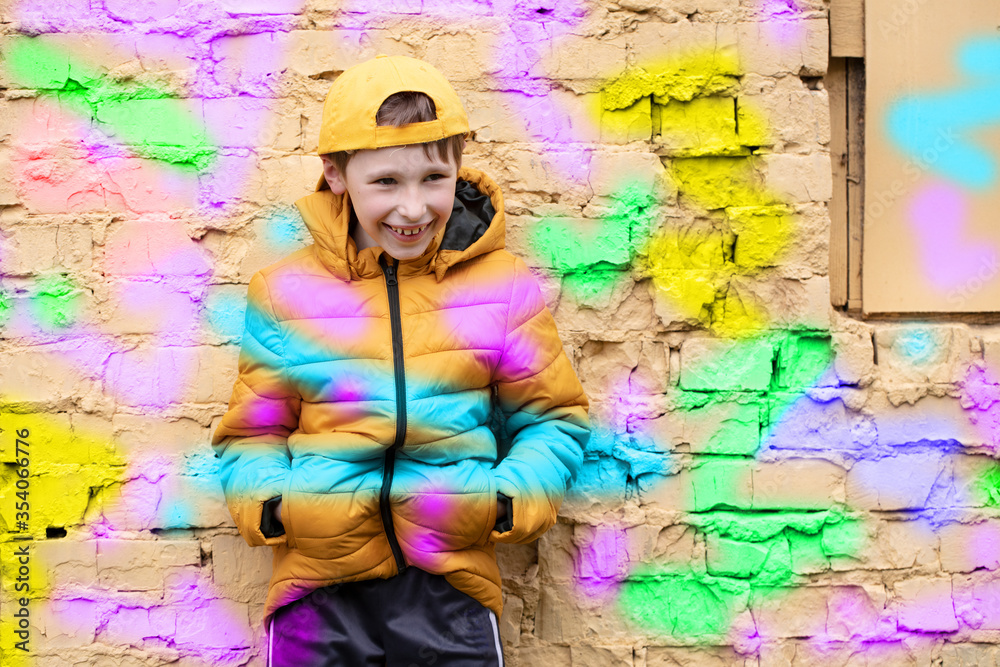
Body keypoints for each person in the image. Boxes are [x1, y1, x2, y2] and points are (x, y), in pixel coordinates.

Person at [211, 54, 591, 666]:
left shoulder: (505, 286)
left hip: (452, 592)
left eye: (433, 179)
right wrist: (278, 510)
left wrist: (502, 500)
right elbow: (250, 435)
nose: (413, 209)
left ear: (458, 169)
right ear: (336, 176)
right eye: (385, 182)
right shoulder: (283, 292)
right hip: (317, 593)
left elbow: (555, 418)